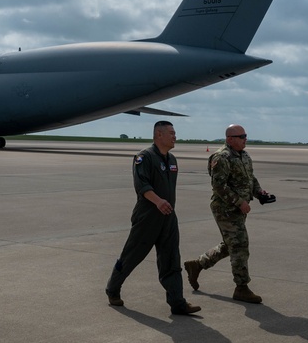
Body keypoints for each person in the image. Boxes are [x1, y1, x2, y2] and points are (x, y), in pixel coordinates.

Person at [105, 121, 201, 316]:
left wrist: (166, 206)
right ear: (159, 134)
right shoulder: (144, 157)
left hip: (168, 216)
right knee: (132, 256)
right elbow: (142, 185)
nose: (175, 136)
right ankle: (112, 288)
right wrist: (158, 201)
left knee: (171, 259)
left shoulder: (172, 159)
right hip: (148, 216)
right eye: (172, 133)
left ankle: (177, 302)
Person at [184, 124, 273, 304]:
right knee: (240, 244)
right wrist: (240, 202)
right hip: (225, 208)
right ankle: (241, 288)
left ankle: (198, 264)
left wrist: (260, 193)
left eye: (245, 136)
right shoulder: (221, 157)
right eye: (242, 136)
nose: (245, 139)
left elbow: (250, 179)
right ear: (230, 139)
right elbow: (219, 186)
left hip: (239, 209)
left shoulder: (244, 156)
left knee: (231, 244)